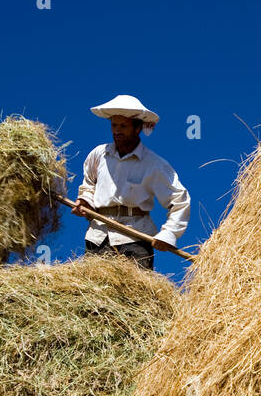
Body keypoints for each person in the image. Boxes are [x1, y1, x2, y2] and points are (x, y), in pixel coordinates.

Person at [72, 94, 190, 271]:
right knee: (93, 293)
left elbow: (179, 200)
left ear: (137, 128)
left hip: (134, 239)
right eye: (114, 125)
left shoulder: (154, 165)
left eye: (123, 126)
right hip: (98, 235)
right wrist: (84, 201)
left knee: (133, 296)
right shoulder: (99, 154)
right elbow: (89, 182)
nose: (116, 131)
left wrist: (168, 234)